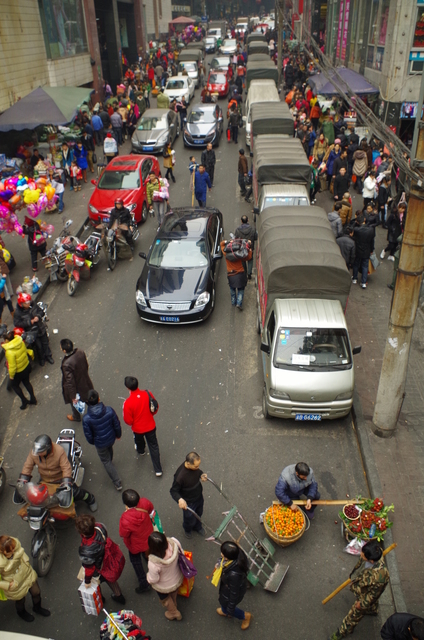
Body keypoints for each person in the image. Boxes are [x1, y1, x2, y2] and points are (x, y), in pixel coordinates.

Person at [20, 434, 97, 511]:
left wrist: (66, 484)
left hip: (60, 479)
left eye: (41, 452)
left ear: (48, 449)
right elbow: (27, 466)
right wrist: (22, 480)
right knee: (36, 498)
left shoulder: (59, 451)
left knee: (76, 493)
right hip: (44, 479)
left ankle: (90, 498)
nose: (38, 454)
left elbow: (66, 467)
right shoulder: (34, 452)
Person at [329, 541, 390, 639]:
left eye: (363, 555)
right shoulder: (373, 552)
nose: (361, 556)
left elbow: (374, 595)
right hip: (361, 585)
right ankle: (372, 610)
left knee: (353, 616)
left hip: (365, 596)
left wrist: (362, 604)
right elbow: (359, 567)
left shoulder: (380, 577)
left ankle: (343, 631)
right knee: (372, 604)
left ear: (371, 561)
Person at [75, 515, 125, 605]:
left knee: (95, 583)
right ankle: (119, 596)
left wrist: (87, 581)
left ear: (81, 533)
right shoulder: (100, 527)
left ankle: (101, 600)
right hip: (106, 561)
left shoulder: (86, 550)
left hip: (97, 569)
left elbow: (89, 568)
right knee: (110, 579)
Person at [0, 536, 50, 622]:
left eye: (13, 548)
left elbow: (21, 552)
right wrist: (8, 585)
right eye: (9, 551)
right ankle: (21, 612)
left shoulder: (15, 546)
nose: (13, 551)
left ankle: (37, 608)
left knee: (36, 592)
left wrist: (26, 561)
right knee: (20, 600)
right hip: (15, 582)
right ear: (2, 551)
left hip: (26, 573)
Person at [82, 390, 122, 491]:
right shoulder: (109, 410)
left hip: (100, 443)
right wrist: (118, 434)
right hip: (111, 437)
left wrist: (94, 442)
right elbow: (116, 424)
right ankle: (110, 461)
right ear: (99, 398)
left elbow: (89, 435)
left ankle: (117, 481)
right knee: (109, 450)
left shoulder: (87, 419)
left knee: (105, 461)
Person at [123, 376, 163, 477]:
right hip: (150, 425)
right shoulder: (147, 393)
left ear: (127, 388)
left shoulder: (127, 403)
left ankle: (141, 450)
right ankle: (158, 469)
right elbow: (154, 406)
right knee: (154, 446)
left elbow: (128, 420)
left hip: (137, 429)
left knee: (139, 440)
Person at [119, 489, 154, 594]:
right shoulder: (145, 502)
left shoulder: (125, 518)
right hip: (148, 538)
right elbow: (152, 512)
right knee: (148, 554)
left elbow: (123, 534)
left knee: (136, 561)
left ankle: (144, 583)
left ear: (126, 504)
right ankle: (152, 567)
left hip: (135, 545)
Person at [214, 541, 252, 630]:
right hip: (228, 588)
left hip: (230, 593)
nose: (221, 554)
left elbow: (234, 594)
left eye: (223, 553)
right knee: (224, 604)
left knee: (227, 607)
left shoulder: (234, 575)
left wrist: (230, 610)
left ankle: (245, 616)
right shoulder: (238, 555)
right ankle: (225, 610)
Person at [146, 532, 184, 621]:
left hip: (163, 586)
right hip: (176, 577)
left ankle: (174, 613)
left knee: (165, 598)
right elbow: (182, 552)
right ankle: (174, 603)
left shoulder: (153, 563)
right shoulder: (174, 542)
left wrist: (148, 577)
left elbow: (154, 579)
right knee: (173, 593)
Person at [170, 452, 207, 539]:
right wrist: (179, 499)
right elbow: (173, 491)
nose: (198, 468)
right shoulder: (180, 476)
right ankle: (188, 529)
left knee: (199, 513)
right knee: (189, 519)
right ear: (188, 463)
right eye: (196, 466)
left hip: (198, 497)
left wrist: (201, 475)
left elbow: (198, 472)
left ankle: (198, 527)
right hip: (189, 502)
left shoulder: (194, 468)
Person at [14, 291, 53, 367]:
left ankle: (48, 356)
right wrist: (29, 322)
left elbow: (41, 311)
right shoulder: (18, 313)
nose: (28, 304)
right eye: (26, 303)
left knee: (45, 342)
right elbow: (17, 323)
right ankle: (41, 358)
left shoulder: (33, 304)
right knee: (38, 346)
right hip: (31, 331)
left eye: (29, 302)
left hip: (40, 327)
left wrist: (38, 316)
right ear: (21, 304)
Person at [1, 328, 36, 410]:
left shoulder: (9, 351)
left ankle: (24, 401)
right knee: (27, 383)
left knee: (15, 386)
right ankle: (33, 399)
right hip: (26, 366)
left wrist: (11, 376)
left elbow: (12, 367)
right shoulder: (20, 342)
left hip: (18, 372)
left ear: (6, 340)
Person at [60, 338, 94, 422]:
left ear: (64, 350)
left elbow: (70, 382)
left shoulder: (66, 364)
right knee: (89, 397)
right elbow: (86, 365)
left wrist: (73, 396)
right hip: (85, 381)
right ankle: (94, 409)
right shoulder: (80, 352)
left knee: (75, 403)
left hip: (77, 387)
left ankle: (76, 416)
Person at [220, 236, 252, 310]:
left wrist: (228, 241)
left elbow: (221, 244)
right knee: (241, 290)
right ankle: (239, 303)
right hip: (240, 273)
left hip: (231, 274)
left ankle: (233, 302)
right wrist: (249, 248)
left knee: (232, 289)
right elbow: (249, 257)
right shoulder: (239, 255)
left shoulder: (226, 253)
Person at [352, 215, 375, 289]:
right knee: (365, 266)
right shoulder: (371, 230)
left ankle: (355, 278)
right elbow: (372, 241)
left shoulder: (357, 230)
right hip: (367, 250)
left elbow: (352, 229)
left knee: (356, 264)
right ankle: (363, 282)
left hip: (358, 250)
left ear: (358, 222)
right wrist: (371, 250)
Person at [234, 215, 257, 280]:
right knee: (250, 259)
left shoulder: (238, 230)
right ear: (248, 220)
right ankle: (249, 273)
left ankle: (245, 272)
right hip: (250, 248)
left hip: (241, 248)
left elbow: (236, 239)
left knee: (243, 260)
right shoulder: (252, 229)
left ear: (241, 221)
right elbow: (255, 237)